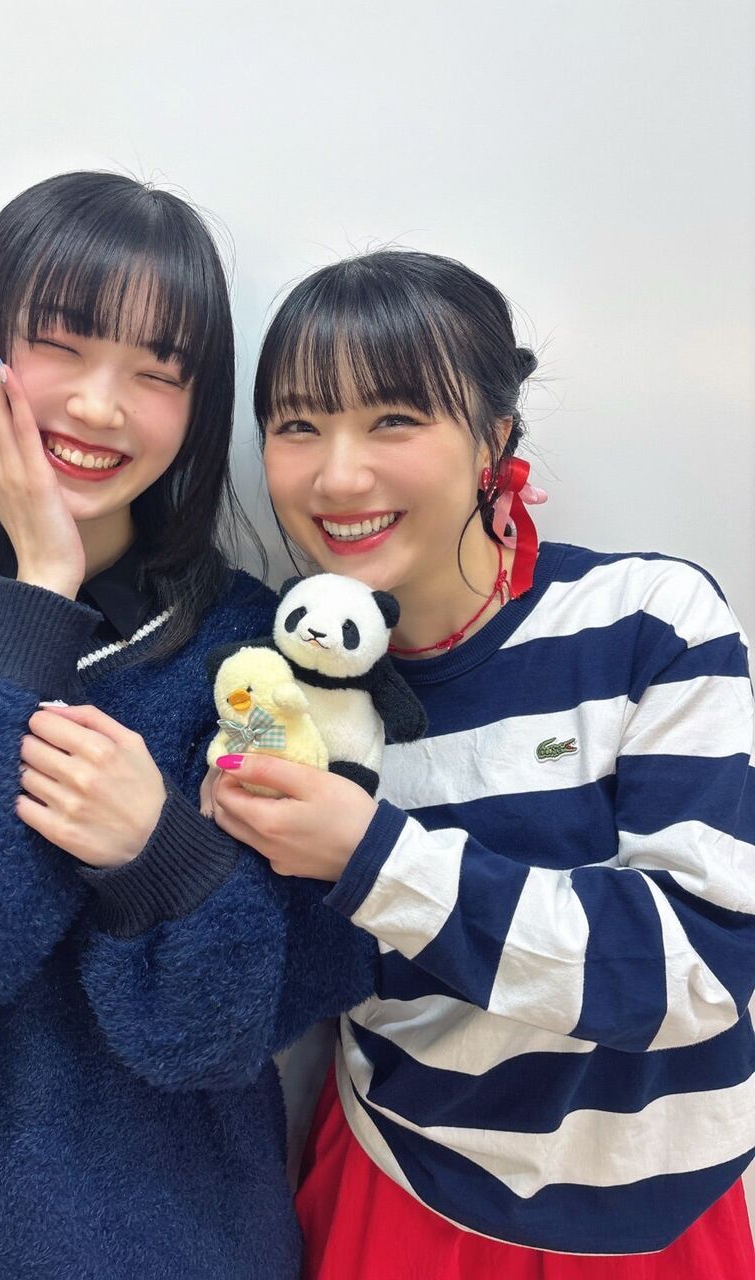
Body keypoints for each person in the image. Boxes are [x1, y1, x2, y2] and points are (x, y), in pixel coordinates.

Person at [0, 172, 374, 1279]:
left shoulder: (252, 646)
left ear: (196, 410)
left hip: (194, 1240)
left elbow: (244, 1019)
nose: (103, 407)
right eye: (61, 345)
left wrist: (160, 854)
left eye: (158, 372)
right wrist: (37, 597)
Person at [209, 250, 755, 1277]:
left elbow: (700, 965)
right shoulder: (289, 695)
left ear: (494, 437)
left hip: (659, 1212)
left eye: (393, 419)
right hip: (401, 1187)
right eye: (297, 425)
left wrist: (372, 857)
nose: (338, 476)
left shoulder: (649, 620)